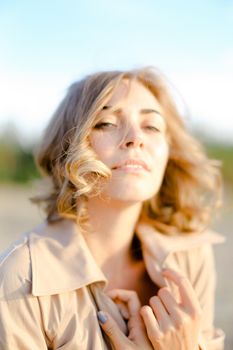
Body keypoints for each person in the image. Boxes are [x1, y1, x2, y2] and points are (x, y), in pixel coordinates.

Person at [0, 67, 225, 349]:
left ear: (169, 152)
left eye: (151, 126)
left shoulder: (191, 255)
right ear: (68, 144)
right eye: (106, 123)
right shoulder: (20, 280)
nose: (135, 138)